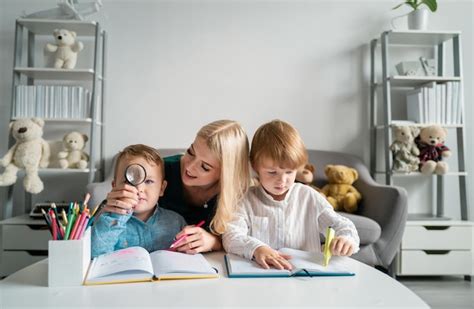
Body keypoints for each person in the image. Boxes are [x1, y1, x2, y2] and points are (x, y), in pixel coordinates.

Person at [222, 120, 360, 270]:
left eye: (289, 172)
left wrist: (346, 239)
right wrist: (257, 248)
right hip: (262, 277)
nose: (282, 180)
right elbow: (231, 236)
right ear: (255, 167)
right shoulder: (245, 199)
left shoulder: (309, 196)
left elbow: (341, 225)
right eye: (272, 172)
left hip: (306, 279)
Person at [103, 120, 251, 253]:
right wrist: (113, 203)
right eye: (191, 152)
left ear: (225, 174)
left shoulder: (235, 195)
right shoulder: (161, 172)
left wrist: (214, 241)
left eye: (205, 167)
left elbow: (243, 238)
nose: (190, 167)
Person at [91, 144, 186, 257]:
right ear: (115, 186)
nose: (139, 188)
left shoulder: (176, 222)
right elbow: (96, 254)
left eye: (148, 181)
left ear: (161, 188)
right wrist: (117, 216)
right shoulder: (107, 221)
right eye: (129, 181)